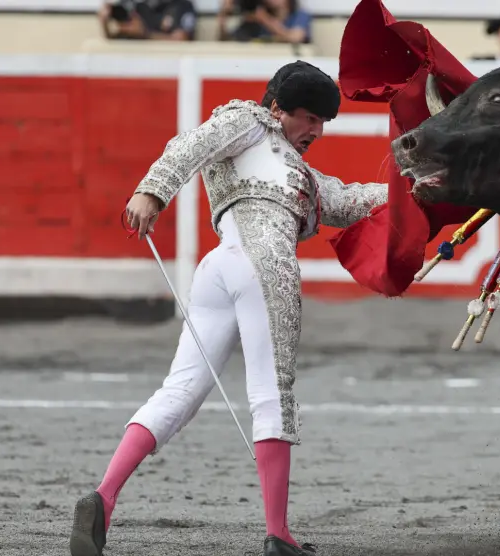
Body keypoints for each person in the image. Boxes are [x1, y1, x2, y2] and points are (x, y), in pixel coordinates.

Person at [67, 60, 388, 556]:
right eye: (309, 118)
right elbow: (191, 144)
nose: (317, 131)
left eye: (324, 122)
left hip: (218, 269)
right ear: (278, 108)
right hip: (266, 263)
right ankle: (278, 535)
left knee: (179, 390)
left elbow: (348, 199)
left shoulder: (299, 170)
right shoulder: (250, 121)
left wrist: (418, 196)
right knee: (271, 392)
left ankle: (104, 498)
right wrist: (152, 191)